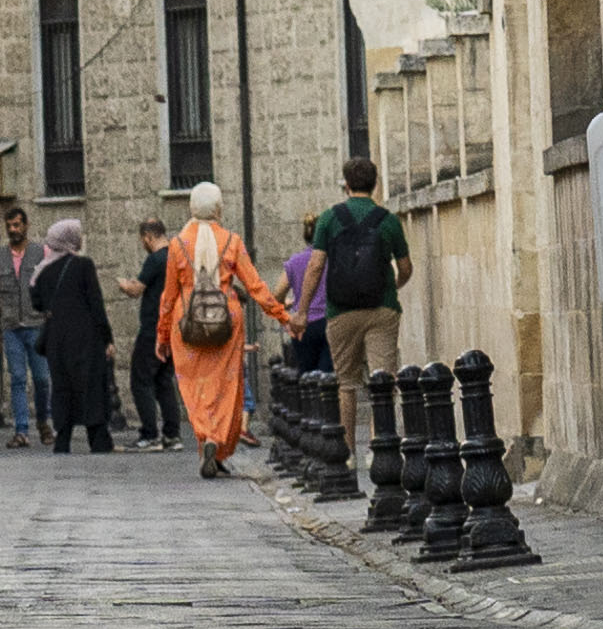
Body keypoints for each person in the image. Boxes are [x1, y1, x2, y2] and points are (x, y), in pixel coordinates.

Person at [150, 181, 291, 478]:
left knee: (193, 387)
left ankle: (205, 436)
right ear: (218, 207)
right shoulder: (232, 241)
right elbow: (255, 286)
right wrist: (282, 315)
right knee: (227, 388)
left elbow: (168, 297)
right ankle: (218, 443)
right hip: (226, 321)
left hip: (186, 322)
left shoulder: (177, 245)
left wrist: (162, 335)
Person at [310, 155, 412, 446]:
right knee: (382, 382)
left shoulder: (330, 218)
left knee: (346, 384)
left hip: (341, 311)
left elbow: (316, 266)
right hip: (382, 309)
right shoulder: (388, 220)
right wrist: (393, 285)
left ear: (346, 184)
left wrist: (302, 310)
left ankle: (347, 450)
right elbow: (405, 267)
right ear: (375, 184)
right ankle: (379, 448)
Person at [30, 218, 117, 453]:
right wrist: (107, 338)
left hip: (57, 340)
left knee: (63, 387)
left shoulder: (43, 271)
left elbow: (37, 302)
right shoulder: (83, 265)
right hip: (86, 338)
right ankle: (98, 439)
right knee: (91, 386)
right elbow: (96, 304)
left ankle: (63, 439)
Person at [0, 205, 51, 447]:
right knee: (18, 378)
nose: (13, 230)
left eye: (17, 225)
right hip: (11, 326)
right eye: (9, 226)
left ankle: (44, 422)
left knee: (43, 378)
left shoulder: (41, 252)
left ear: (25, 226)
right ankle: (21, 430)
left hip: (36, 324)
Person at [118, 220, 185, 449]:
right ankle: (172, 434)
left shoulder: (155, 260)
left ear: (148, 237)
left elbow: (136, 289)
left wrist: (123, 284)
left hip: (152, 329)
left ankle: (149, 433)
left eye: (142, 240)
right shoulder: (177, 257)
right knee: (164, 381)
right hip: (173, 330)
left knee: (141, 380)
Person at [281, 214, 336, 373]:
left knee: (307, 378)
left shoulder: (295, 262)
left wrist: (288, 304)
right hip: (330, 323)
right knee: (329, 380)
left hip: (303, 326)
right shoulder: (335, 260)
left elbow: (277, 295)